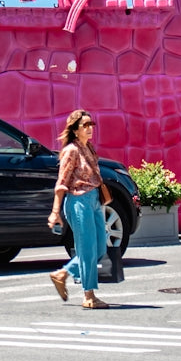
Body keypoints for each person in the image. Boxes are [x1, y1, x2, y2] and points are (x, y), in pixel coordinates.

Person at [47, 109, 110, 309]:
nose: (90, 128)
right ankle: (89, 295)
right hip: (78, 201)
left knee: (100, 247)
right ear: (75, 130)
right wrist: (55, 212)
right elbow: (61, 182)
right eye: (85, 125)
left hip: (94, 201)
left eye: (91, 124)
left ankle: (62, 274)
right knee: (87, 249)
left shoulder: (88, 148)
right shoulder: (71, 151)